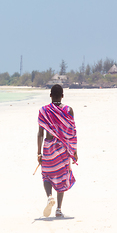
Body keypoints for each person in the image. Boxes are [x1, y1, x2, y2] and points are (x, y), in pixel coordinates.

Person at [37, 84, 78, 217]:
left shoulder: (43, 110)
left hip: (49, 146)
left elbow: (40, 134)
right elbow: (72, 133)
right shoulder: (68, 110)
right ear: (62, 96)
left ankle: (50, 197)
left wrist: (39, 152)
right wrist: (74, 151)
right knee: (62, 175)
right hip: (63, 147)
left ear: (50, 95)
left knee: (46, 175)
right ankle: (59, 209)